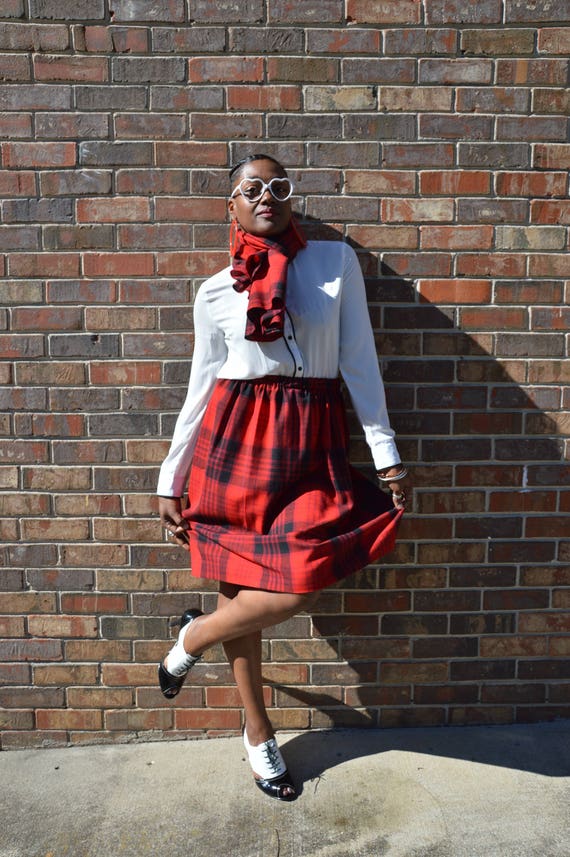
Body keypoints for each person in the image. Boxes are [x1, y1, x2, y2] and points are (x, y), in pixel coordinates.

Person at [156, 153, 411, 802]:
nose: (266, 195)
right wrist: (170, 476)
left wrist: (385, 453)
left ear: (291, 198)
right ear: (232, 207)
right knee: (238, 594)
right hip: (231, 449)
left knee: (295, 586)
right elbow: (200, 387)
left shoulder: (334, 264)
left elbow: (359, 361)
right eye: (251, 188)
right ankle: (258, 734)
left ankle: (192, 637)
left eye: (278, 185)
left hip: (309, 448)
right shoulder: (216, 290)